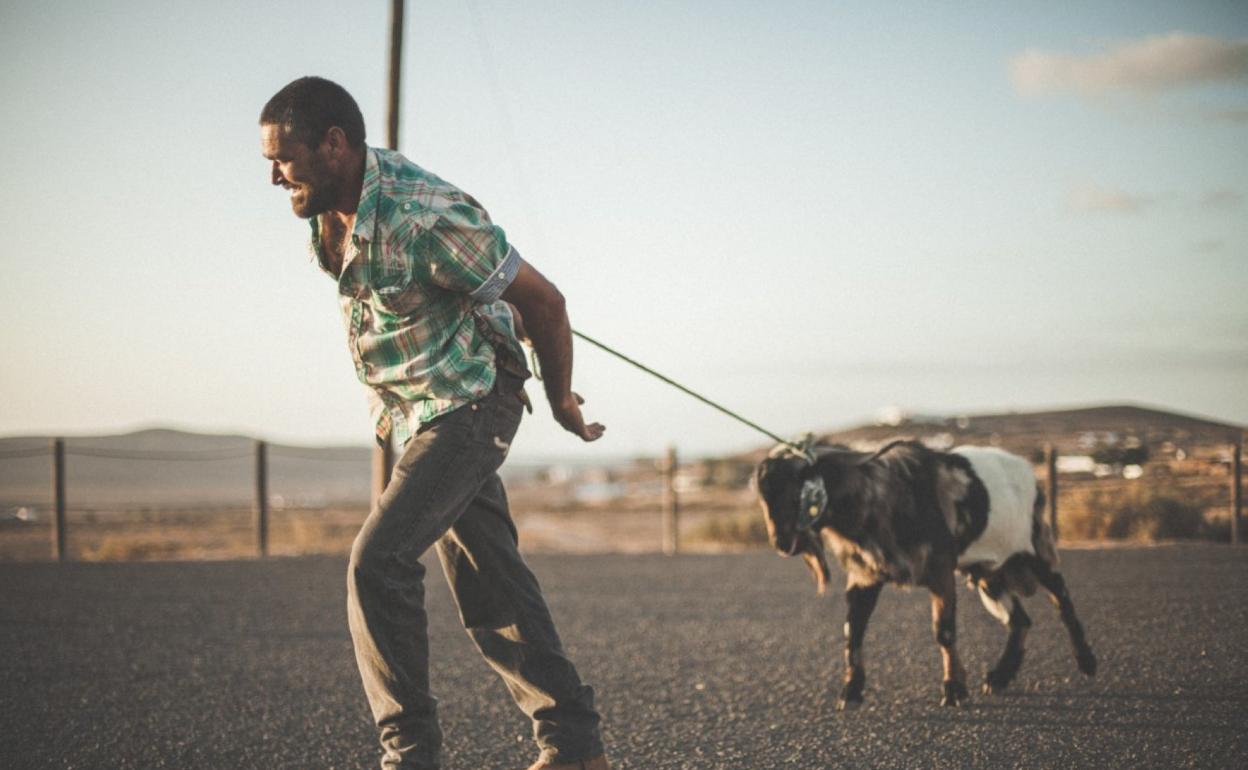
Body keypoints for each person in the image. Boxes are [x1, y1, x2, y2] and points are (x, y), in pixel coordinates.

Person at [259, 76, 609, 770]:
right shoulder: (321, 208)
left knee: (377, 563)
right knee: (490, 581)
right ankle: (573, 745)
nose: (275, 177)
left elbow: (546, 303)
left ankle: (409, 757)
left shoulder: (427, 214)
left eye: (284, 159)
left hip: (476, 401)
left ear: (334, 145)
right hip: (415, 415)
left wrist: (563, 401)